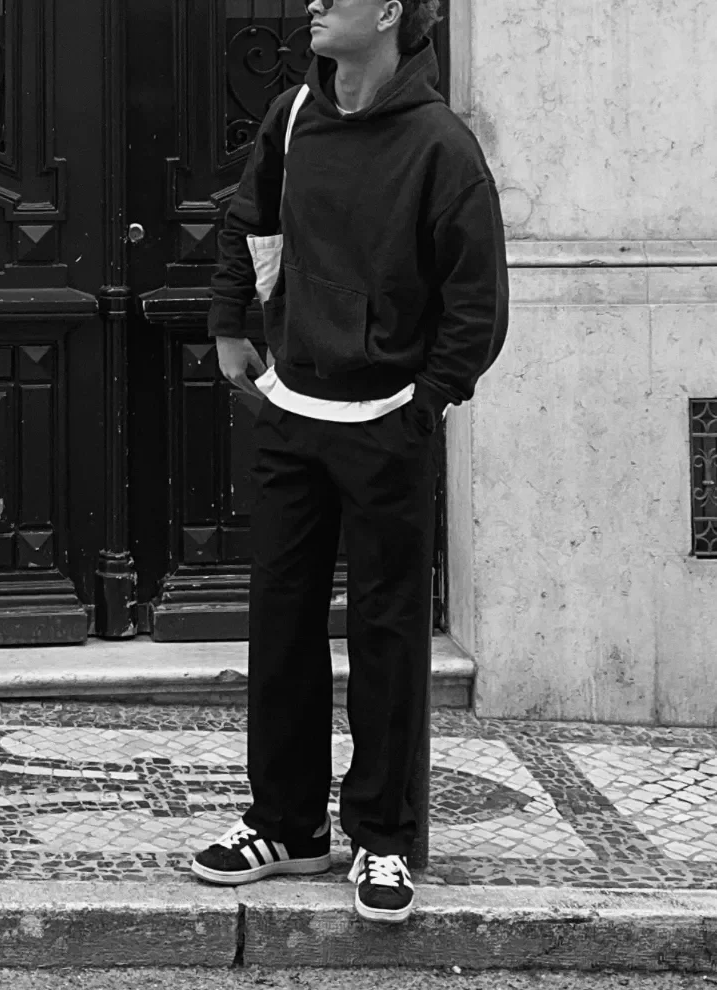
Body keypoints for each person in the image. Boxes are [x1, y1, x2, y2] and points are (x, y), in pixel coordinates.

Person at [191, 0, 509, 924]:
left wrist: (430, 398)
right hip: (292, 411)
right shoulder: (292, 115)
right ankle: (288, 827)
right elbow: (247, 217)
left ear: (391, 12)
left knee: (388, 630)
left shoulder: (441, 145)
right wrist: (225, 326)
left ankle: (383, 837)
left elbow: (475, 293)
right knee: (281, 623)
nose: (313, 2)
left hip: (387, 422)